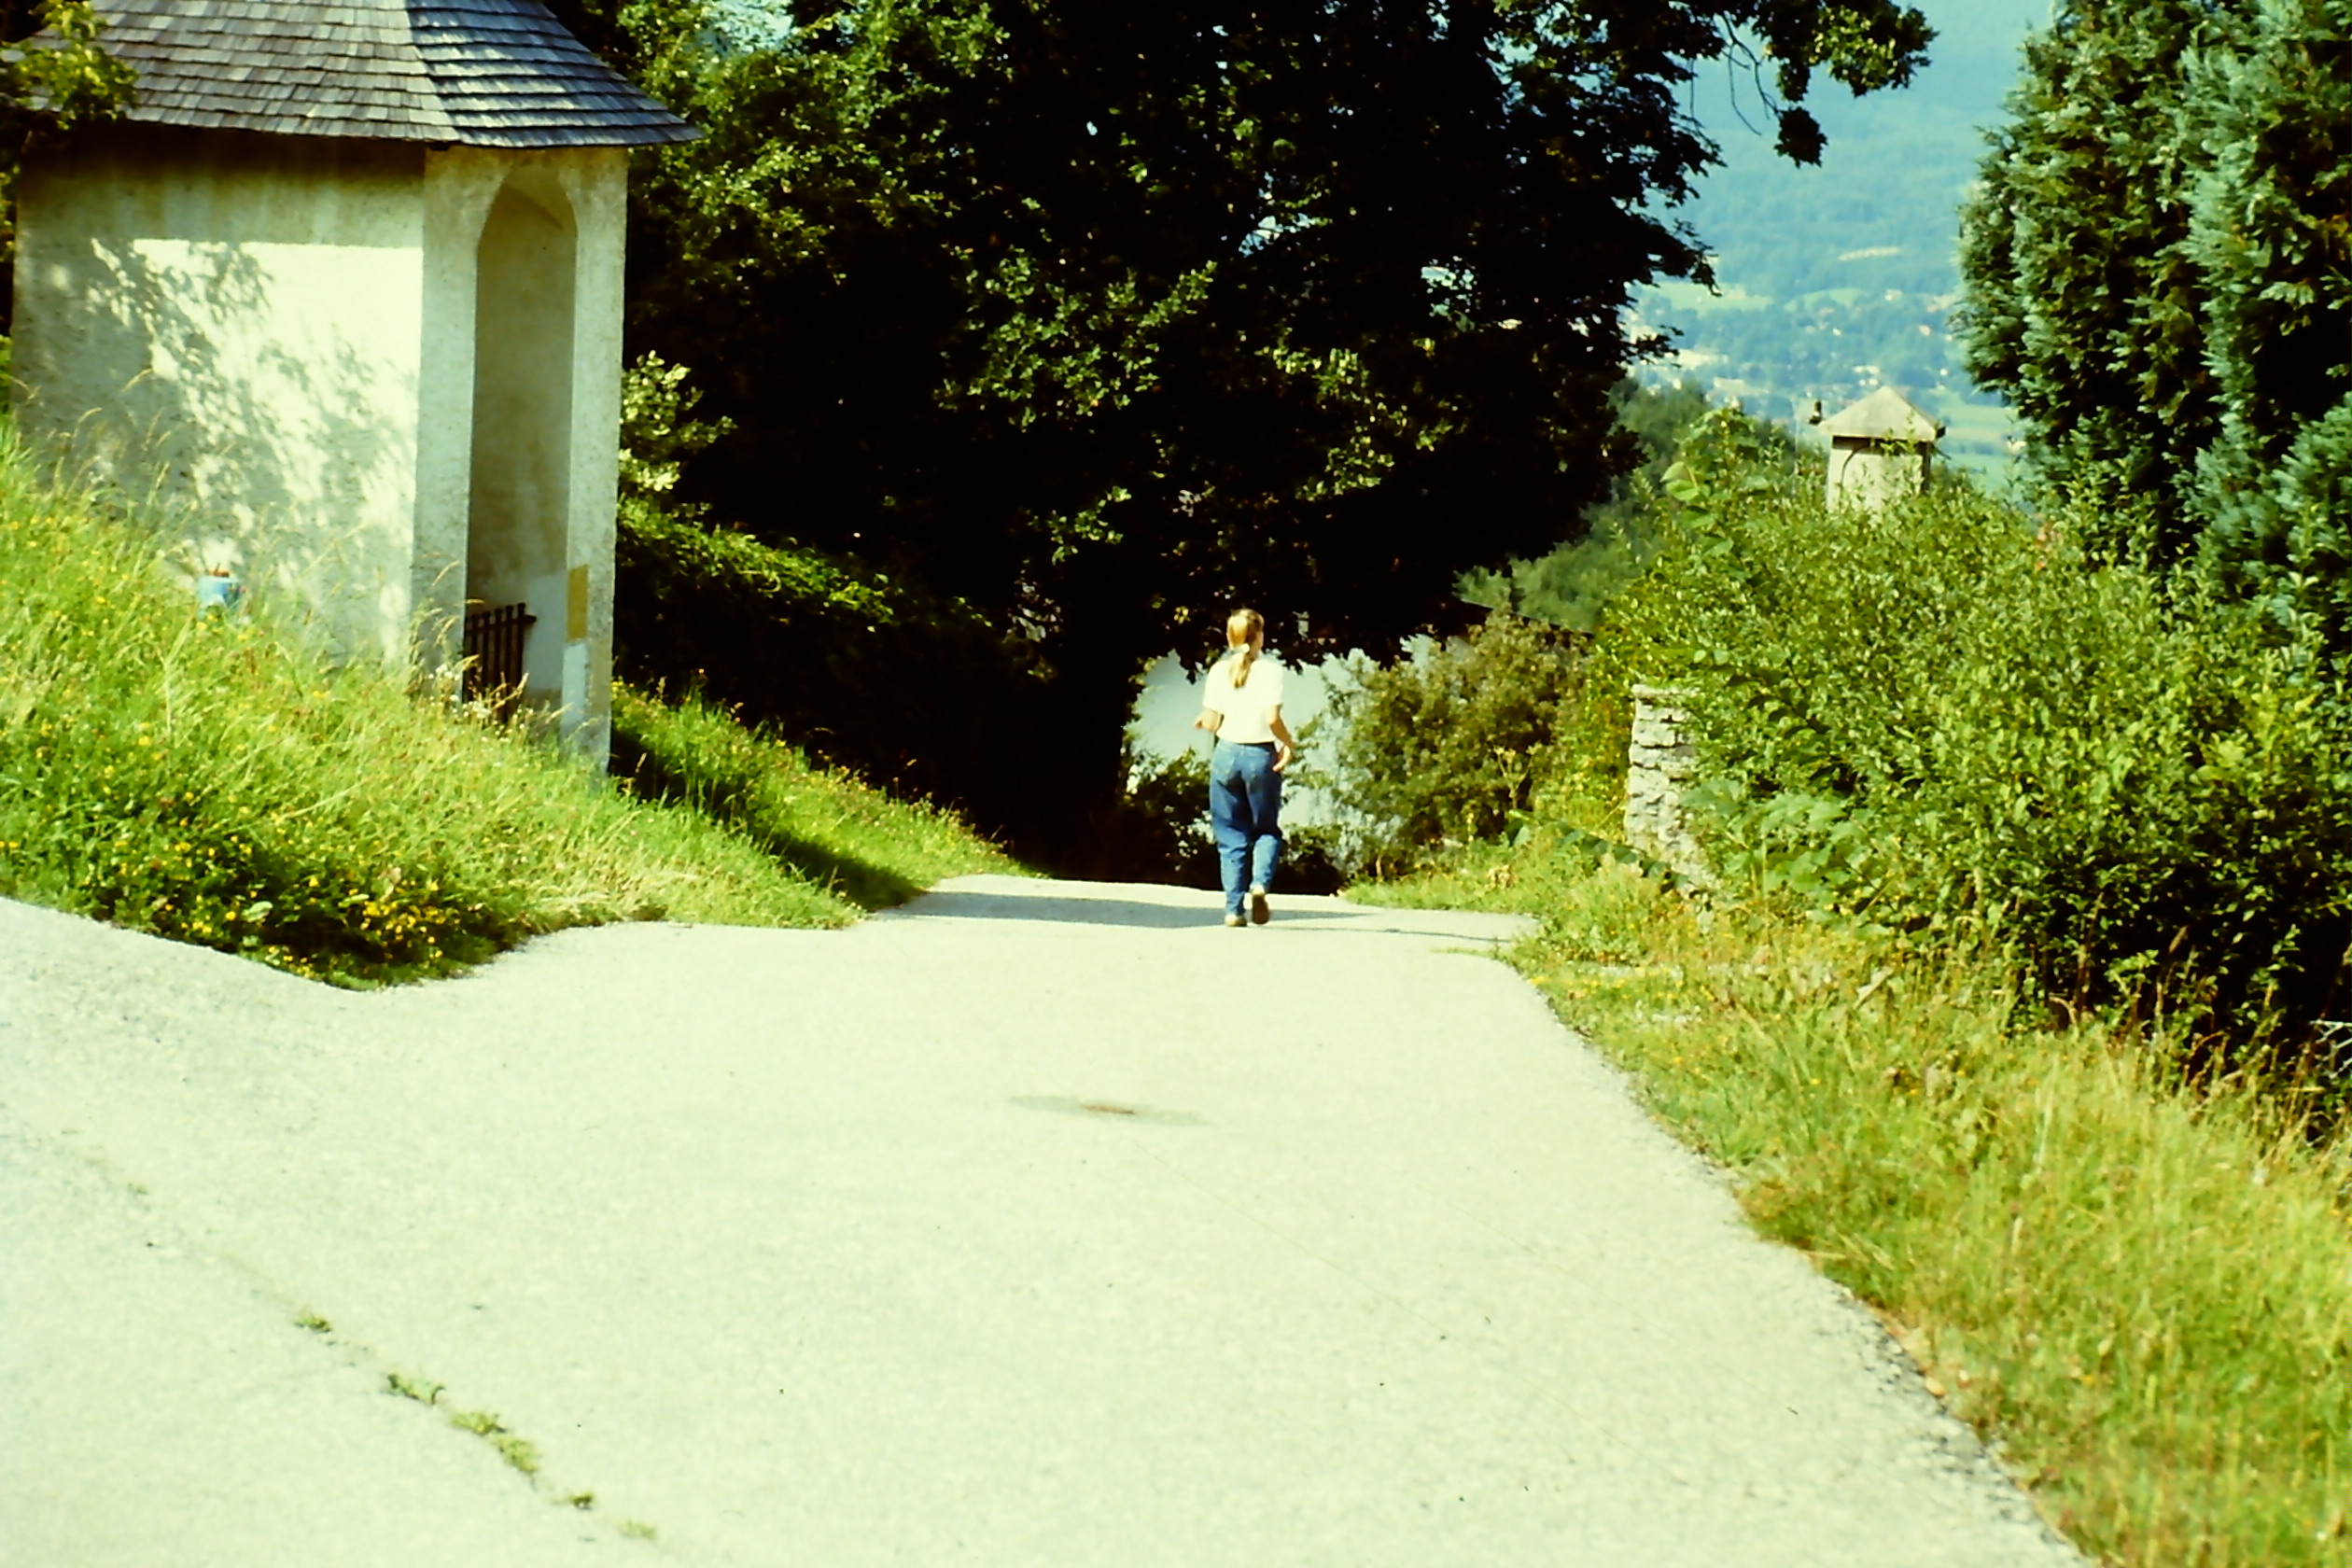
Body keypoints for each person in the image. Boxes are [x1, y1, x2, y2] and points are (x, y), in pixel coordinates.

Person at [1192, 608, 1297, 927]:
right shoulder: (1271, 671)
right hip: (1259, 754)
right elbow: (1271, 718)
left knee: (1230, 834)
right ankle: (1260, 884)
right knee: (1266, 829)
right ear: (1259, 637)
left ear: (1230, 637)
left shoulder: (1218, 671)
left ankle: (1233, 910)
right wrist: (1288, 743)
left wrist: (1203, 721)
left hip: (1226, 753)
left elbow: (1212, 722)